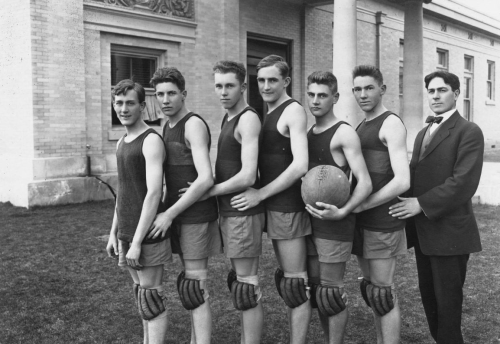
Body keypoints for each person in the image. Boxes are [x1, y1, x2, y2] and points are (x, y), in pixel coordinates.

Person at [389, 71, 484, 344]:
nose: (435, 95)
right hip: (424, 234)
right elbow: (413, 176)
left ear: (456, 93)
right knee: (430, 299)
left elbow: (463, 183)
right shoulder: (422, 132)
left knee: (448, 305)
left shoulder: (469, 131)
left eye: (442, 90)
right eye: (431, 91)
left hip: (450, 234)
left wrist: (420, 203)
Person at [180, 60, 266, 343]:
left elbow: (248, 175)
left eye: (230, 86)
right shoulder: (228, 116)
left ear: (243, 87)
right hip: (231, 211)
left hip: (242, 210)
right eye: (218, 85)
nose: (223, 92)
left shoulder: (248, 118)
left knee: (246, 287)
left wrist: (209, 190)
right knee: (240, 284)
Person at [231, 55, 311, 344]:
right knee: (265, 281)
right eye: (261, 80)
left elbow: (300, 165)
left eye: (272, 80)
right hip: (269, 209)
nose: (265, 85)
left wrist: (261, 193)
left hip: (287, 209)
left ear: (286, 81)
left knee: (294, 283)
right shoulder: (267, 113)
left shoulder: (293, 111)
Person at [148, 67, 221, 344]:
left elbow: (206, 179)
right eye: (160, 94)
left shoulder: (193, 124)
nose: (165, 100)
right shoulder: (166, 125)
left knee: (195, 286)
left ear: (184, 94)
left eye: (171, 93)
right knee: (189, 285)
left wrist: (169, 213)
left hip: (194, 216)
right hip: (177, 214)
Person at [304, 71, 372, 344]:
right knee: (319, 293)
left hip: (335, 225)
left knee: (331, 293)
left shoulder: (343, 133)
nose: (316, 100)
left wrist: (344, 211)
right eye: (311, 94)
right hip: (310, 222)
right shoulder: (309, 132)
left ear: (335, 97)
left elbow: (364, 183)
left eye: (322, 95)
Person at [106, 79, 170, 344]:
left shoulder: (151, 140)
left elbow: (154, 193)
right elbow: (123, 191)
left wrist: (137, 242)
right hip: (127, 232)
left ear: (143, 106)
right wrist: (114, 233)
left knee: (151, 298)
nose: (123, 108)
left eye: (130, 103)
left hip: (146, 235)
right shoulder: (122, 141)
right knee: (141, 296)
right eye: (119, 103)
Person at [350, 65, 410, 344]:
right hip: (362, 222)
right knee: (372, 289)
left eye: (369, 88)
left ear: (382, 89)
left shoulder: (391, 123)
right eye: (357, 89)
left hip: (382, 222)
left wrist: (362, 205)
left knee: (383, 292)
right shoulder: (360, 125)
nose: (362, 94)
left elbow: (402, 181)